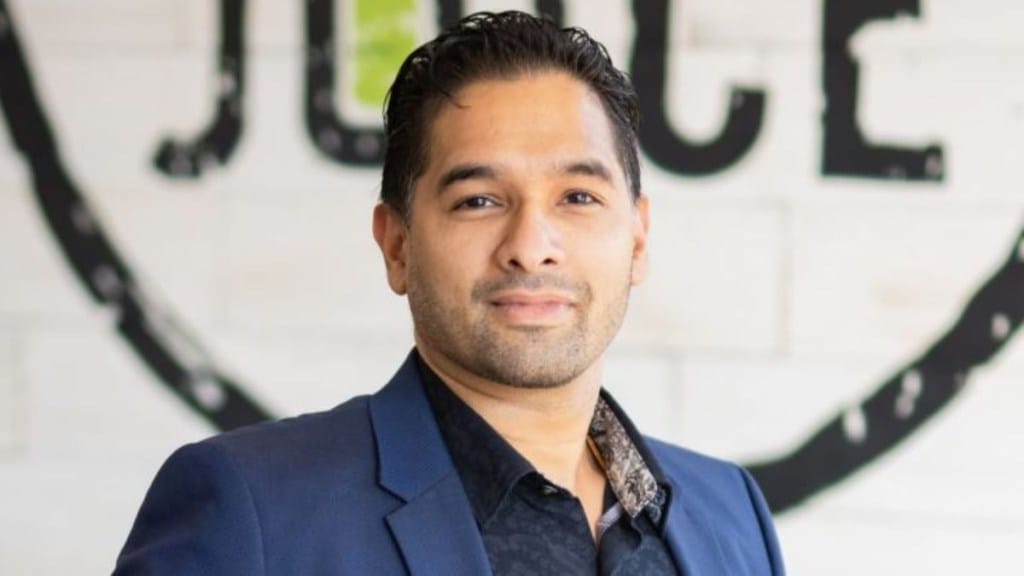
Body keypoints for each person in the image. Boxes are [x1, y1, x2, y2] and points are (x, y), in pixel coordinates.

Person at [114, 11, 785, 575]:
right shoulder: (253, 510)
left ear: (637, 240)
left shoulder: (731, 510)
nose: (531, 245)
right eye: (479, 200)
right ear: (397, 245)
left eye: (578, 196)